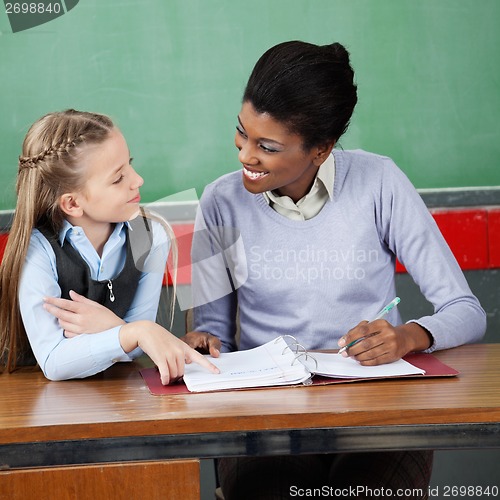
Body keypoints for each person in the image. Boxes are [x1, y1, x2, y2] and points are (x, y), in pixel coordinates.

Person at [182, 41, 487, 499]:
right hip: (267, 415)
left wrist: (408, 336)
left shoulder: (380, 181)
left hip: (379, 412)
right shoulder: (218, 201)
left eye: (267, 146)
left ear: (321, 150)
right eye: (241, 133)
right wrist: (202, 341)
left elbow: (467, 310)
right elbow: (211, 331)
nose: (245, 154)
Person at [0, 109, 218, 384]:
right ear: (72, 204)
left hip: (117, 395)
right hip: (35, 402)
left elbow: (140, 345)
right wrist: (131, 332)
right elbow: (54, 361)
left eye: (130, 165)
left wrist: (125, 330)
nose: (137, 180)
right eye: (118, 178)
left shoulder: (152, 237)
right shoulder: (38, 249)